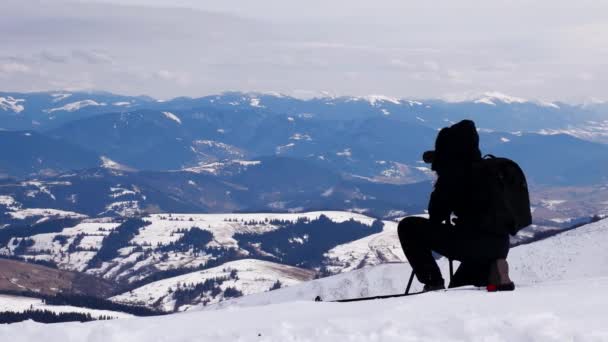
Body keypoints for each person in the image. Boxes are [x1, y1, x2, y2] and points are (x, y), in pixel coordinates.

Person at [398, 120, 514, 291]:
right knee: (458, 290)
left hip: (471, 244)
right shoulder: (490, 168)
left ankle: (433, 281)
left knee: (408, 227)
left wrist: (441, 176)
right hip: (500, 246)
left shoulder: (454, 173)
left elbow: (436, 214)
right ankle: (494, 269)